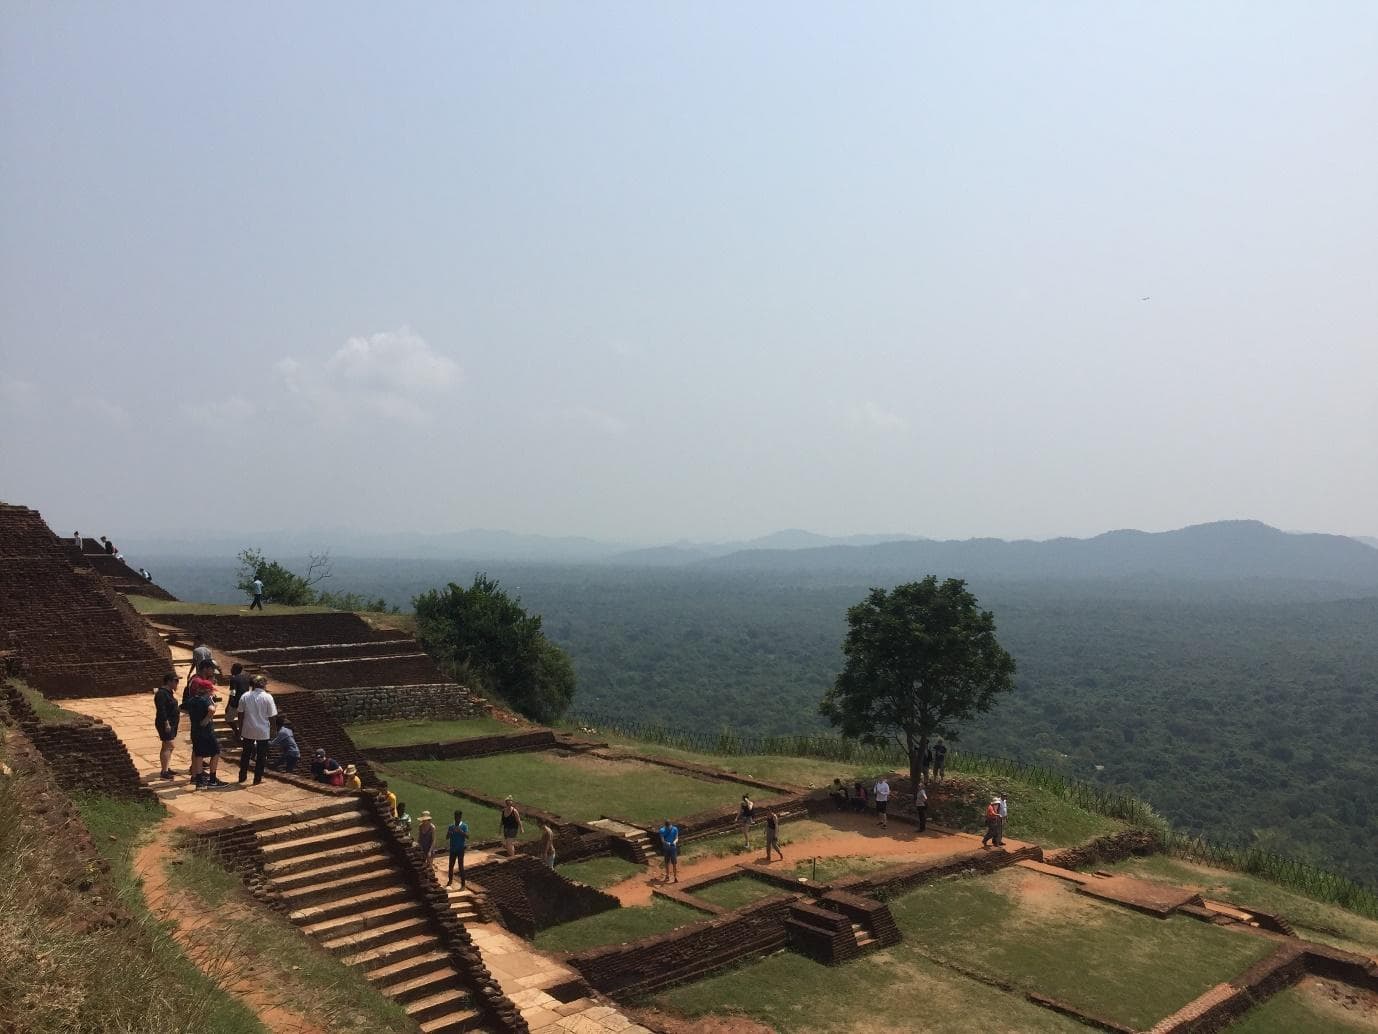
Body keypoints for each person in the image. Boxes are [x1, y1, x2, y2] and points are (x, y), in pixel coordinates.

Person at [235, 675, 277, 785]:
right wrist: (274, 730)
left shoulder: (245, 696)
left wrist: (240, 729)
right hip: (263, 731)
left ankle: (242, 776)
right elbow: (272, 716)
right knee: (261, 755)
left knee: (246, 754)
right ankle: (257, 778)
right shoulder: (268, 697)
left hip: (248, 729)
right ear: (263, 685)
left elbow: (240, 714)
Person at [186, 687, 224, 788]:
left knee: (199, 754)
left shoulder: (192, 700)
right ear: (207, 690)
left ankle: (199, 781)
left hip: (195, 731)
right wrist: (207, 718)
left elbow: (181, 708)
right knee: (216, 752)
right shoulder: (206, 699)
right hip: (206, 732)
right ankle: (212, 780)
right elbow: (211, 709)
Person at [153, 672, 180, 780]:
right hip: (165, 723)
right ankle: (164, 772)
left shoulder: (169, 693)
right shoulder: (161, 694)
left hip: (171, 723)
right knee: (169, 745)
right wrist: (166, 723)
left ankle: (166, 767)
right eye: (175, 681)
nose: (177, 684)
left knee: (166, 746)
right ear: (169, 682)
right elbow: (161, 710)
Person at [446, 810, 469, 887]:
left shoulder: (464, 826)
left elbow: (467, 836)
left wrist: (461, 831)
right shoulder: (451, 826)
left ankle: (463, 884)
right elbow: (447, 837)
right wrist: (449, 833)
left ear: (460, 817)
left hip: (460, 849)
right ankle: (450, 880)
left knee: (461, 866)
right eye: (455, 817)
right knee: (450, 866)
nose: (457, 819)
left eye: (458, 817)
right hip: (452, 849)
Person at [225, 663, 250, 732]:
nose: (231, 670)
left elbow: (233, 692)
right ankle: (241, 732)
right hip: (245, 701)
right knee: (242, 718)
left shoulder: (234, 679)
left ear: (235, 670)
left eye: (232, 668)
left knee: (228, 719)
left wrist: (228, 705)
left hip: (236, 702)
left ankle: (236, 732)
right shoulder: (246, 677)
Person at [658, 818, 679, 883]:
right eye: (668, 827)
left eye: (670, 826)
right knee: (667, 863)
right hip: (666, 848)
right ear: (666, 826)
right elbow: (662, 840)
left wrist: (675, 842)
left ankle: (675, 877)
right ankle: (667, 875)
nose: (669, 828)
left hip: (673, 848)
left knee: (674, 863)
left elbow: (676, 838)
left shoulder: (675, 829)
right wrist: (667, 843)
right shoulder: (662, 830)